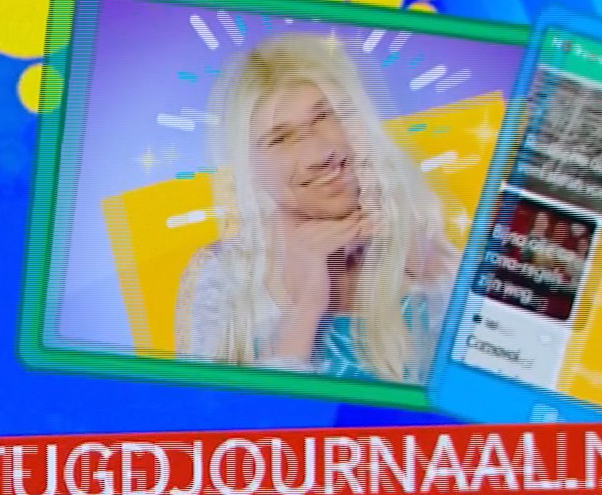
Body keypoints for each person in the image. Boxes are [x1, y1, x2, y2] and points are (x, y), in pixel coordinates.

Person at [174, 32, 455, 384]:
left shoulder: (432, 260)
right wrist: (306, 308)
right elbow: (213, 417)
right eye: (280, 138)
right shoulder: (222, 276)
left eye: (326, 117)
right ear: (249, 167)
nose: (320, 154)